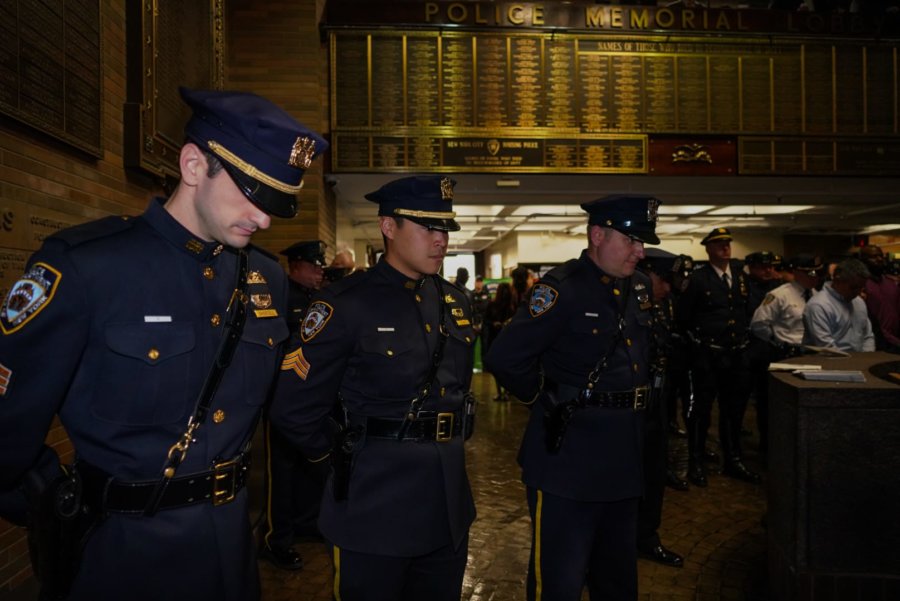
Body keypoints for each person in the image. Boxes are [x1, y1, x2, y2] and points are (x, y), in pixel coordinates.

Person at [0, 87, 326, 600]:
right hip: (123, 554)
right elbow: (7, 425)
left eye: (276, 205)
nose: (264, 219)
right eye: (252, 195)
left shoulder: (265, 278)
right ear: (195, 165)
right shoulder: (88, 267)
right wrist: (60, 495)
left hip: (231, 552)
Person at [270, 175, 476, 601]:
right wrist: (342, 459)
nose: (441, 240)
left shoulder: (455, 302)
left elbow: (457, 392)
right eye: (427, 228)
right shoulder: (343, 305)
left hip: (446, 507)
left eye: (445, 229)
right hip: (372, 507)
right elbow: (293, 407)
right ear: (388, 227)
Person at [484, 193, 661, 601]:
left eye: (643, 242)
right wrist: (546, 401)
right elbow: (505, 357)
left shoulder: (637, 287)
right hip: (569, 457)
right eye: (632, 240)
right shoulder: (562, 289)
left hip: (625, 453)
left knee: (617, 578)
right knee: (559, 580)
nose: (640, 250)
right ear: (597, 234)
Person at [259, 240, 328, 570]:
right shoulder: (280, 295)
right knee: (281, 472)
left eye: (321, 266)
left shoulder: (317, 299)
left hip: (311, 399)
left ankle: (305, 524)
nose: (319, 271)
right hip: (283, 398)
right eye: (313, 266)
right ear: (295, 266)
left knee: (308, 466)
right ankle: (276, 538)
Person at [677, 227, 760, 487]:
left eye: (727, 243)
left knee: (734, 411)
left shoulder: (740, 277)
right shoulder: (699, 280)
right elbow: (683, 318)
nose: (725, 247)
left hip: (736, 355)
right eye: (719, 244)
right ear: (708, 249)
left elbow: (746, 312)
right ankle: (696, 461)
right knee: (700, 412)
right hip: (708, 357)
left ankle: (733, 459)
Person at [635, 249, 685, 569]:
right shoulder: (623, 303)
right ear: (645, 273)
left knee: (654, 475)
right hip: (628, 406)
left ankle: (647, 538)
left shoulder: (665, 304)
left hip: (657, 402)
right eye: (663, 280)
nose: (668, 288)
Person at [749, 254, 824, 459]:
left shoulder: (817, 295)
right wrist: (777, 342)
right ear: (797, 272)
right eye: (810, 273)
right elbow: (758, 324)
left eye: (818, 273)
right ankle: (770, 449)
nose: (814, 277)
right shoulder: (779, 295)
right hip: (784, 356)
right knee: (774, 407)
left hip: (810, 357)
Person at [803, 258, 875, 352]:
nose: (857, 292)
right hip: (828, 362)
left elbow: (867, 336)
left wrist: (866, 359)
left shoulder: (859, 302)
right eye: (853, 287)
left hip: (858, 361)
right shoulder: (818, 305)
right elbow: (826, 347)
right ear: (837, 280)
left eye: (861, 288)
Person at [859, 244, 900, 352]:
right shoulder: (860, 286)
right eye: (874, 256)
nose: (879, 259)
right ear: (863, 261)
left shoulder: (891, 284)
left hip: (895, 339)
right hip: (875, 341)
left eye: (881, 256)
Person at [482, 282, 517, 401]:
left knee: (505, 367)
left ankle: (505, 392)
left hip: (507, 340)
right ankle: (501, 392)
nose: (505, 293)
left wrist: (508, 323)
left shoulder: (512, 306)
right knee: (498, 367)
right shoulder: (492, 304)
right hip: (497, 338)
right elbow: (486, 319)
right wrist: (494, 323)